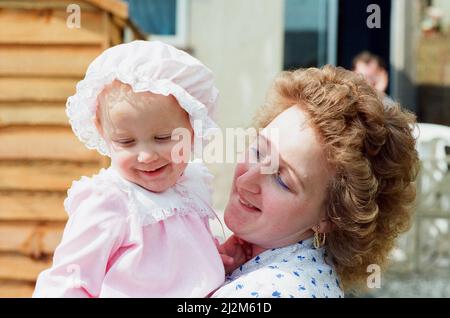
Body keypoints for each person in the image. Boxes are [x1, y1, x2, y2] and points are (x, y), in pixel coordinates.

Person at [33, 41, 224, 297]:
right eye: (126, 142)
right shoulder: (110, 201)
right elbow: (69, 280)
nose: (146, 156)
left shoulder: (192, 185)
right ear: (103, 133)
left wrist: (220, 257)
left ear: (193, 128)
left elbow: (191, 257)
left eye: (163, 138)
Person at [212, 65, 419, 298]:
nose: (246, 181)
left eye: (282, 180)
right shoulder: (304, 271)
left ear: (331, 216)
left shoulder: (270, 291)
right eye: (258, 152)